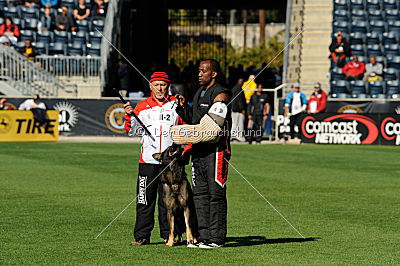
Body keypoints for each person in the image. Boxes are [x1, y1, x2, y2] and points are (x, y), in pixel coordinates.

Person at [123, 72, 189, 247]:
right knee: (144, 199)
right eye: (156, 85)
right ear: (150, 86)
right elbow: (132, 131)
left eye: (163, 85)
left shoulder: (176, 105)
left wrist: (184, 151)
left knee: (168, 200)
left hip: (170, 163)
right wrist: (129, 116)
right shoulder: (142, 107)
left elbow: (185, 128)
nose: (160, 88)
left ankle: (169, 234)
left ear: (168, 86)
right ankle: (142, 236)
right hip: (147, 161)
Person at [175, 59, 231, 248]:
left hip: (216, 151)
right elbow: (194, 120)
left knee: (215, 194)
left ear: (213, 73)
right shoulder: (200, 92)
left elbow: (213, 124)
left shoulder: (221, 92)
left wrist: (186, 134)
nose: (199, 74)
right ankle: (203, 236)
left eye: (203, 71)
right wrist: (184, 108)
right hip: (199, 150)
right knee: (199, 194)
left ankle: (216, 239)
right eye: (199, 71)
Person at [230, 78, 246, 142]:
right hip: (237, 109)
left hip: (233, 108)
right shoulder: (239, 89)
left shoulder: (234, 88)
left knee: (234, 123)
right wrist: (242, 108)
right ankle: (239, 137)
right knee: (239, 123)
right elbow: (240, 100)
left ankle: (232, 136)